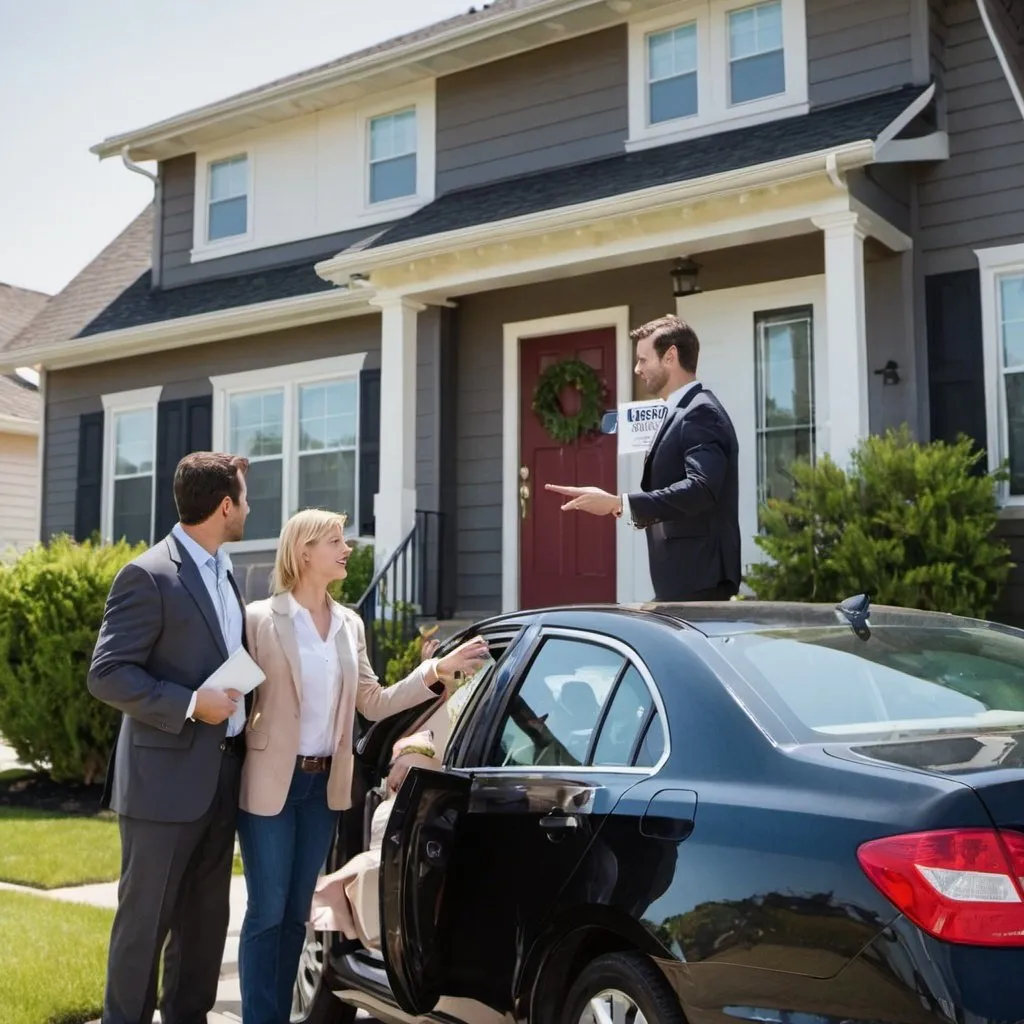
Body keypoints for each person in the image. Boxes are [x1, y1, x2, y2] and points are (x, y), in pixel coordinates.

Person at [237, 507, 488, 1024]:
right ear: (304, 550)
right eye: (335, 541)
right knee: (267, 912)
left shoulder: (349, 623)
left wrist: (434, 671)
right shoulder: (260, 618)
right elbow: (233, 698)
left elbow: (372, 702)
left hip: (322, 786)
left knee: (294, 914)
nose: (346, 549)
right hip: (269, 786)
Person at [88, 451, 251, 1024]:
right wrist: (189, 705)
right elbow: (106, 674)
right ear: (225, 505)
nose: (249, 508)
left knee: (204, 932)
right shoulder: (147, 574)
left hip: (221, 777)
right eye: (245, 497)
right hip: (160, 788)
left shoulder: (225, 571)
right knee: (144, 930)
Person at [546, 314, 740, 601]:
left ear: (670, 356)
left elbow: (701, 489)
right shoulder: (681, 410)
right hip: (685, 576)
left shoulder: (700, 412)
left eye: (643, 359)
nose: (637, 369)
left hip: (699, 577)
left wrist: (619, 503)